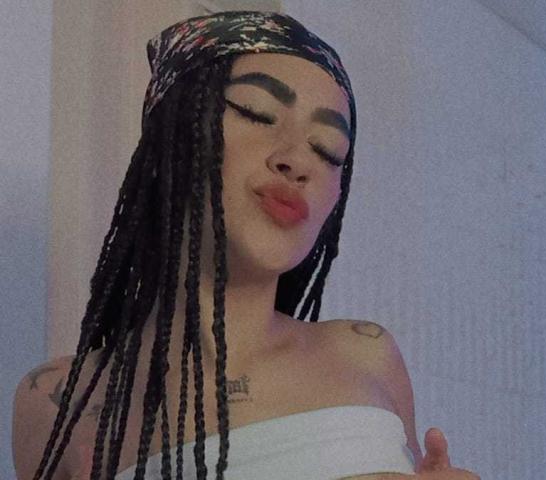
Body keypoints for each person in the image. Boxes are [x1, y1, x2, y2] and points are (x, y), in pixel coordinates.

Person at [12, 11, 479, 480]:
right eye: (256, 112)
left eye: (328, 149)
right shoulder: (56, 402)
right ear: (171, 136)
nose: (298, 162)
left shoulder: (367, 355)